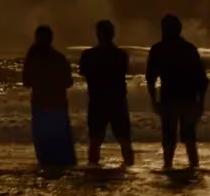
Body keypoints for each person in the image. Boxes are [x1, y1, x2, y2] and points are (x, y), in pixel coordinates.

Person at [145, 13, 209, 170]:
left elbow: (151, 79)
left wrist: (154, 101)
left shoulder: (158, 49)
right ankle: (193, 167)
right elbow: (202, 79)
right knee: (189, 137)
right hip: (189, 99)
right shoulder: (189, 49)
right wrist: (200, 102)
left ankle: (168, 166)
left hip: (169, 99)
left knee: (169, 138)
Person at [78, 20, 135, 167]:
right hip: (116, 100)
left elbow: (84, 72)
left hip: (98, 100)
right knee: (123, 139)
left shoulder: (89, 55)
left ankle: (93, 168)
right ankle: (129, 169)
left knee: (96, 140)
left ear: (98, 34)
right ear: (112, 34)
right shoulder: (121, 55)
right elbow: (123, 71)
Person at [21, 24, 75, 168]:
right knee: (61, 144)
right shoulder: (59, 58)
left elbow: (26, 81)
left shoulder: (34, 58)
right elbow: (68, 82)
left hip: (41, 105)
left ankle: (48, 168)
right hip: (57, 105)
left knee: (44, 145)